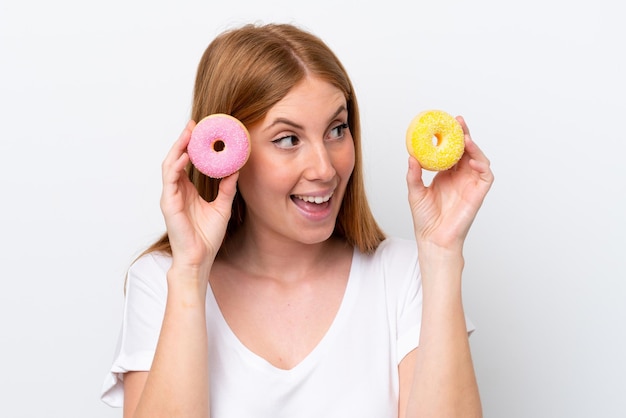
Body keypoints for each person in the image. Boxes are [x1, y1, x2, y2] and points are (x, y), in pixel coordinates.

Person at [101, 22, 493, 418]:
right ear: (227, 152)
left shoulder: (405, 275)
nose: (324, 168)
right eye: (288, 139)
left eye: (337, 130)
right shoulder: (160, 281)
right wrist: (190, 274)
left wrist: (442, 255)